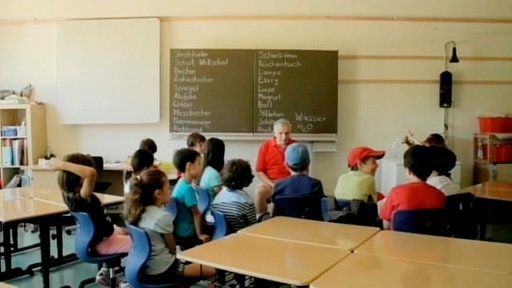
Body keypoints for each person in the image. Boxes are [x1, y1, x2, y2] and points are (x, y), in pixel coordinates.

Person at [51, 153, 131, 286]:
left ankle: (105, 272)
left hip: (101, 237)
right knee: (143, 245)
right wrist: (61, 165)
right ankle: (131, 282)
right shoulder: (81, 198)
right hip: (103, 242)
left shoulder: (69, 196)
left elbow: (89, 173)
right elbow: (91, 173)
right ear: (81, 178)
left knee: (126, 231)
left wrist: (62, 166)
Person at [124, 169, 215, 283]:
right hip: (164, 271)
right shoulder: (162, 217)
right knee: (212, 270)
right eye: (167, 188)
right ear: (158, 194)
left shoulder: (135, 212)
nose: (170, 191)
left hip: (142, 269)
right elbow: (172, 249)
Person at [380, 145, 446, 230]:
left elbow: (386, 226)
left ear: (409, 171)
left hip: (398, 241)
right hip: (429, 242)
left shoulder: (396, 192)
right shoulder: (440, 195)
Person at [255, 118, 296, 214]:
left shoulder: (296, 147)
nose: (284, 137)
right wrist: (272, 184)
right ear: (275, 133)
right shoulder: (265, 147)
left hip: (290, 184)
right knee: (259, 191)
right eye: (280, 133)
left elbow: (303, 171)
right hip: (271, 184)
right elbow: (260, 171)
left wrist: (286, 185)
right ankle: (261, 221)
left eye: (287, 133)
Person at [171, 148, 210, 243]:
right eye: (199, 164)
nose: (201, 167)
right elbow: (196, 214)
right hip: (187, 232)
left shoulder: (180, 183)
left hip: (179, 229)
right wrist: (200, 235)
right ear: (189, 166)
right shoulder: (188, 189)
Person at [212, 159, 256, 233]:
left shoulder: (218, 196)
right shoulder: (247, 203)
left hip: (220, 237)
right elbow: (253, 227)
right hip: (242, 238)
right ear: (247, 178)